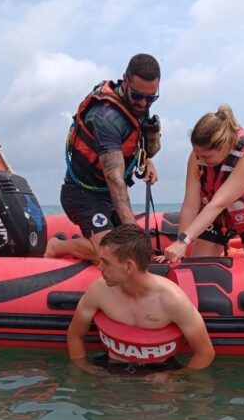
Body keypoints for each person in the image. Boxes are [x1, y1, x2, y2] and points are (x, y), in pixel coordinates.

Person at [45, 54, 162, 263]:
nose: (144, 103)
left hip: (107, 195)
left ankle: (90, 239)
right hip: (83, 194)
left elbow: (137, 145)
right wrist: (134, 237)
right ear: (125, 81)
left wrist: (146, 160)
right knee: (110, 256)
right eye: (138, 96)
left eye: (151, 98)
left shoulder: (140, 104)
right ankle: (57, 247)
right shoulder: (105, 117)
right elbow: (115, 177)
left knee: (122, 251)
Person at [67, 224, 214, 372]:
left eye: (106, 262)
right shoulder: (99, 290)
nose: (100, 268)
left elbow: (205, 353)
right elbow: (75, 335)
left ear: (129, 266)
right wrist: (83, 367)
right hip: (111, 370)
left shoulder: (172, 300)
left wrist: (174, 376)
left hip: (160, 372)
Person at [160, 104, 244, 263]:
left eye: (207, 157)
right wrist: (179, 244)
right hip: (217, 219)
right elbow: (191, 203)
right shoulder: (198, 156)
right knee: (198, 267)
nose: (201, 161)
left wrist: (184, 242)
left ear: (225, 147)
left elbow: (218, 203)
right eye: (198, 155)